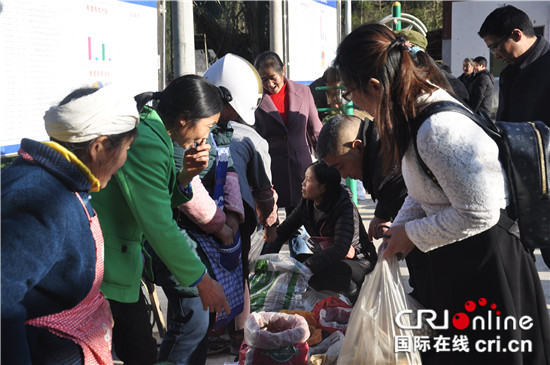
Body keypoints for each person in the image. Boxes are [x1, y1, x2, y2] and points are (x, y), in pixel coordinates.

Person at [334, 23, 550, 364]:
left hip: (487, 266)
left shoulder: (436, 129)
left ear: (374, 86)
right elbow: (425, 189)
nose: (353, 102)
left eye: (350, 92)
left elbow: (480, 212)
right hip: (460, 258)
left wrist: (412, 235)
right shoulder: (413, 109)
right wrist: (399, 230)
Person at [90, 75, 230, 365]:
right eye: (208, 126)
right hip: (108, 266)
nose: (205, 137)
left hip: (120, 264)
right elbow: (159, 223)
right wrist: (202, 280)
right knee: (140, 353)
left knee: (139, 351)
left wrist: (186, 176)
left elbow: (155, 201)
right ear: (183, 119)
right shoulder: (148, 142)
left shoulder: (155, 133)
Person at [2, 85, 139, 364]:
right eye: (126, 149)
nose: (124, 160)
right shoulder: (38, 197)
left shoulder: (62, 181)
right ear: (99, 147)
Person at [479, 4, 550, 269]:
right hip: (525, 187)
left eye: (496, 46)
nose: (495, 54)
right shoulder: (510, 74)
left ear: (517, 34)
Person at [261, 161, 377, 303]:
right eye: (304, 178)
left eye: (308, 180)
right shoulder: (307, 204)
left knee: (323, 273)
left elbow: (340, 249)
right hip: (332, 259)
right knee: (292, 264)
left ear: (323, 187)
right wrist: (265, 261)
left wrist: (309, 264)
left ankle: (357, 299)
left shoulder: (344, 207)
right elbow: (283, 232)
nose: (302, 183)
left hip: (359, 262)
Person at [253, 51, 323, 257]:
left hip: (300, 170)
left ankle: (300, 273)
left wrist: (326, 163)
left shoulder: (303, 92)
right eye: (263, 79)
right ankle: (267, 270)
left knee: (299, 227)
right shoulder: (256, 98)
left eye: (272, 78)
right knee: (270, 229)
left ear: (283, 71)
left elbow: (315, 129)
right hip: (270, 171)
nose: (269, 84)